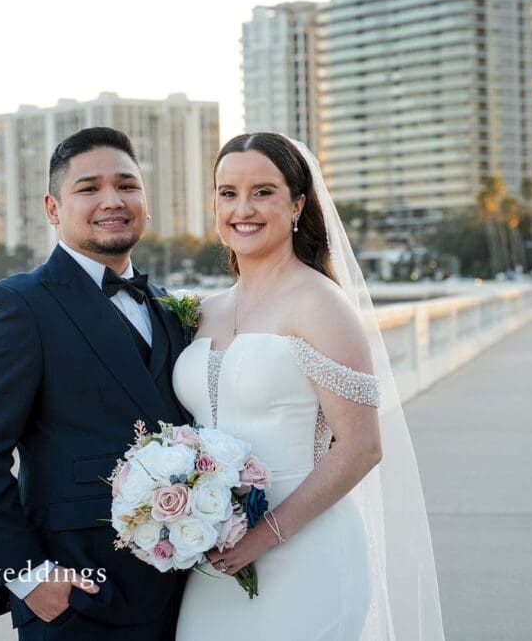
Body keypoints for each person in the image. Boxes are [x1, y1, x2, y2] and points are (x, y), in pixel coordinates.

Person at [172, 133, 445, 640]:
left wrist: (262, 537)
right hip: (211, 561)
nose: (242, 208)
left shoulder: (322, 304)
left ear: (298, 204)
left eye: (263, 192)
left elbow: (362, 447)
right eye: (227, 192)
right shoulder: (202, 311)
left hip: (304, 552)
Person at [0, 127, 191, 640]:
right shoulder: (19, 305)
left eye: (127, 185)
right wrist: (29, 577)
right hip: (81, 596)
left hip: (185, 588)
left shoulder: (170, 307)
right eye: (88, 188)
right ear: (53, 208)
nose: (112, 201)